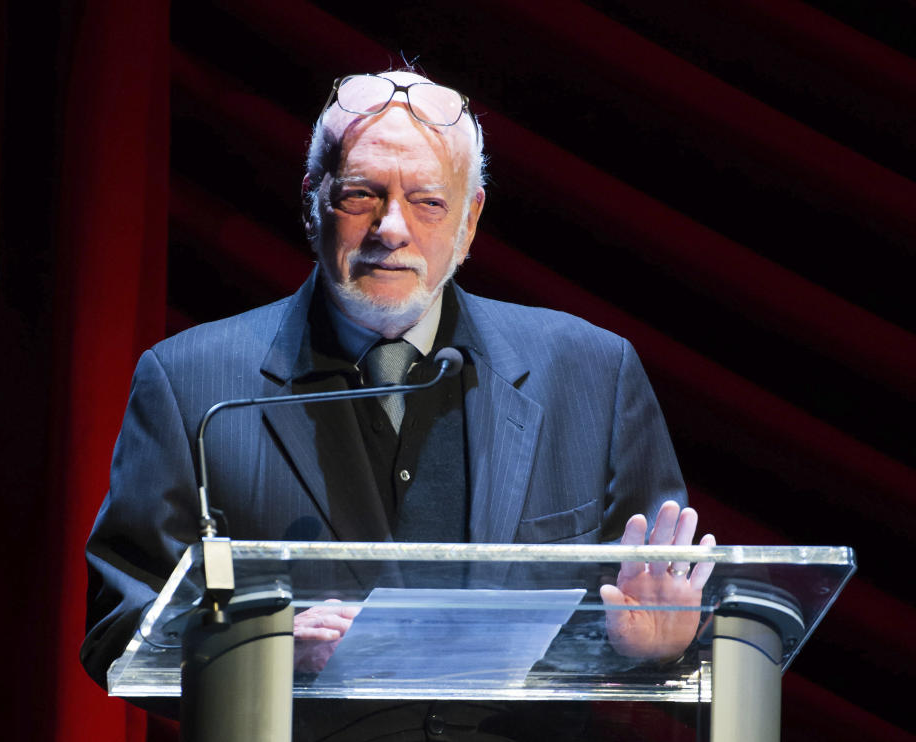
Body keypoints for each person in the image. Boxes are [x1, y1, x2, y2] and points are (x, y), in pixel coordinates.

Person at [81, 70, 715, 740]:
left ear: (469, 221)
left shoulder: (590, 374)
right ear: (311, 202)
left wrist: (661, 645)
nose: (392, 228)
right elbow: (118, 630)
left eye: (427, 202)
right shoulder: (193, 385)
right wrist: (260, 655)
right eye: (362, 195)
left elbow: (674, 621)